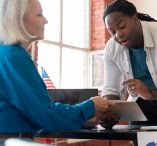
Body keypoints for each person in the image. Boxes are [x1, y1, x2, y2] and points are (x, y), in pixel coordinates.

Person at [0, 0, 118, 136]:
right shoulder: (13, 56)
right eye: (39, 14)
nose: (45, 21)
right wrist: (91, 106)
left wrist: (82, 116)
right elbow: (46, 116)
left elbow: (33, 116)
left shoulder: (6, 54)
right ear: (19, 19)